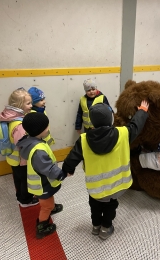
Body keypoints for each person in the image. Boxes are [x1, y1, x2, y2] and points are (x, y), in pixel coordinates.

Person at [62, 100, 149, 240]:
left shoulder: (83, 140)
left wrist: (68, 169)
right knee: (110, 207)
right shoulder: (123, 133)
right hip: (116, 185)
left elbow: (72, 157)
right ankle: (106, 228)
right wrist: (142, 111)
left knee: (95, 207)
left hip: (95, 187)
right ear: (111, 118)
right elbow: (136, 126)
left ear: (92, 122)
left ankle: (96, 226)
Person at [17, 112, 68, 239]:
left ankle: (51, 207)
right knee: (46, 206)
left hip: (42, 183)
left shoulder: (32, 140)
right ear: (40, 131)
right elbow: (48, 168)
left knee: (48, 199)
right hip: (42, 184)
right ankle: (42, 226)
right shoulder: (38, 150)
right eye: (46, 127)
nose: (48, 128)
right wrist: (61, 174)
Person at [0, 88, 39, 207]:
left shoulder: (8, 116)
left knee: (18, 178)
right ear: (19, 105)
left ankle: (19, 197)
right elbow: (23, 145)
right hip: (21, 160)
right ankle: (26, 200)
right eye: (28, 103)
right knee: (26, 180)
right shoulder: (20, 125)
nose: (31, 105)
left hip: (12, 157)